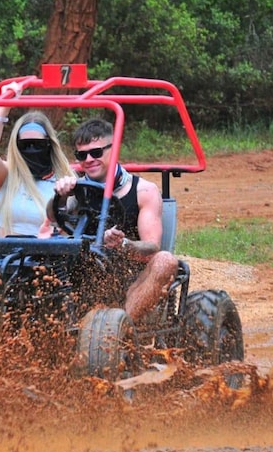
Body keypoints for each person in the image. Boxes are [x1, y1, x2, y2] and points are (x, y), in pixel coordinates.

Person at [49, 118, 178, 323]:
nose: (89, 159)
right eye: (82, 155)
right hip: (81, 279)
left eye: (96, 152)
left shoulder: (143, 191)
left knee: (165, 261)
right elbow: (50, 223)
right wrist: (61, 196)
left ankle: (119, 332)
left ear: (114, 148)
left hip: (132, 282)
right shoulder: (76, 190)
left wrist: (123, 244)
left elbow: (153, 247)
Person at [0, 107, 74, 237]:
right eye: (25, 145)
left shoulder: (64, 182)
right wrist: (4, 108)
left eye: (38, 145)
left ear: (49, 144)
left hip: (46, 253)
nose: (32, 150)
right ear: (16, 147)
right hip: (9, 254)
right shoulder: (8, 176)